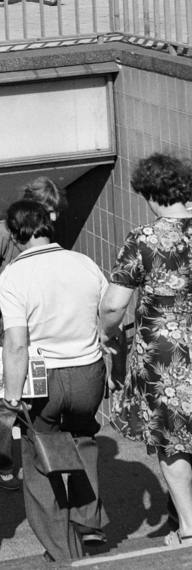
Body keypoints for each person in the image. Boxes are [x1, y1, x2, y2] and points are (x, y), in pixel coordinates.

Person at [0, 198, 109, 563]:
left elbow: (16, 343)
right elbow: (109, 319)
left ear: (15, 235)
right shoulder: (85, 263)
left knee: (38, 456)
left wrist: (12, 395)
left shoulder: (13, 275)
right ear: (49, 224)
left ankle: (63, 550)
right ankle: (89, 520)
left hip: (44, 379)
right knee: (83, 440)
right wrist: (117, 366)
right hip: (89, 371)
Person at [100, 152, 192, 549]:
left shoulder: (145, 239)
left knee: (173, 440)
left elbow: (113, 305)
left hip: (164, 353)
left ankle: (189, 526)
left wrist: (108, 334)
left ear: (153, 195)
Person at [0, 177, 67, 487]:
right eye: (48, 210)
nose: (53, 218)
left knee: (21, 387)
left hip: (27, 313)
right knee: (4, 389)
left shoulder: (44, 232)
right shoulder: (3, 231)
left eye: (54, 212)